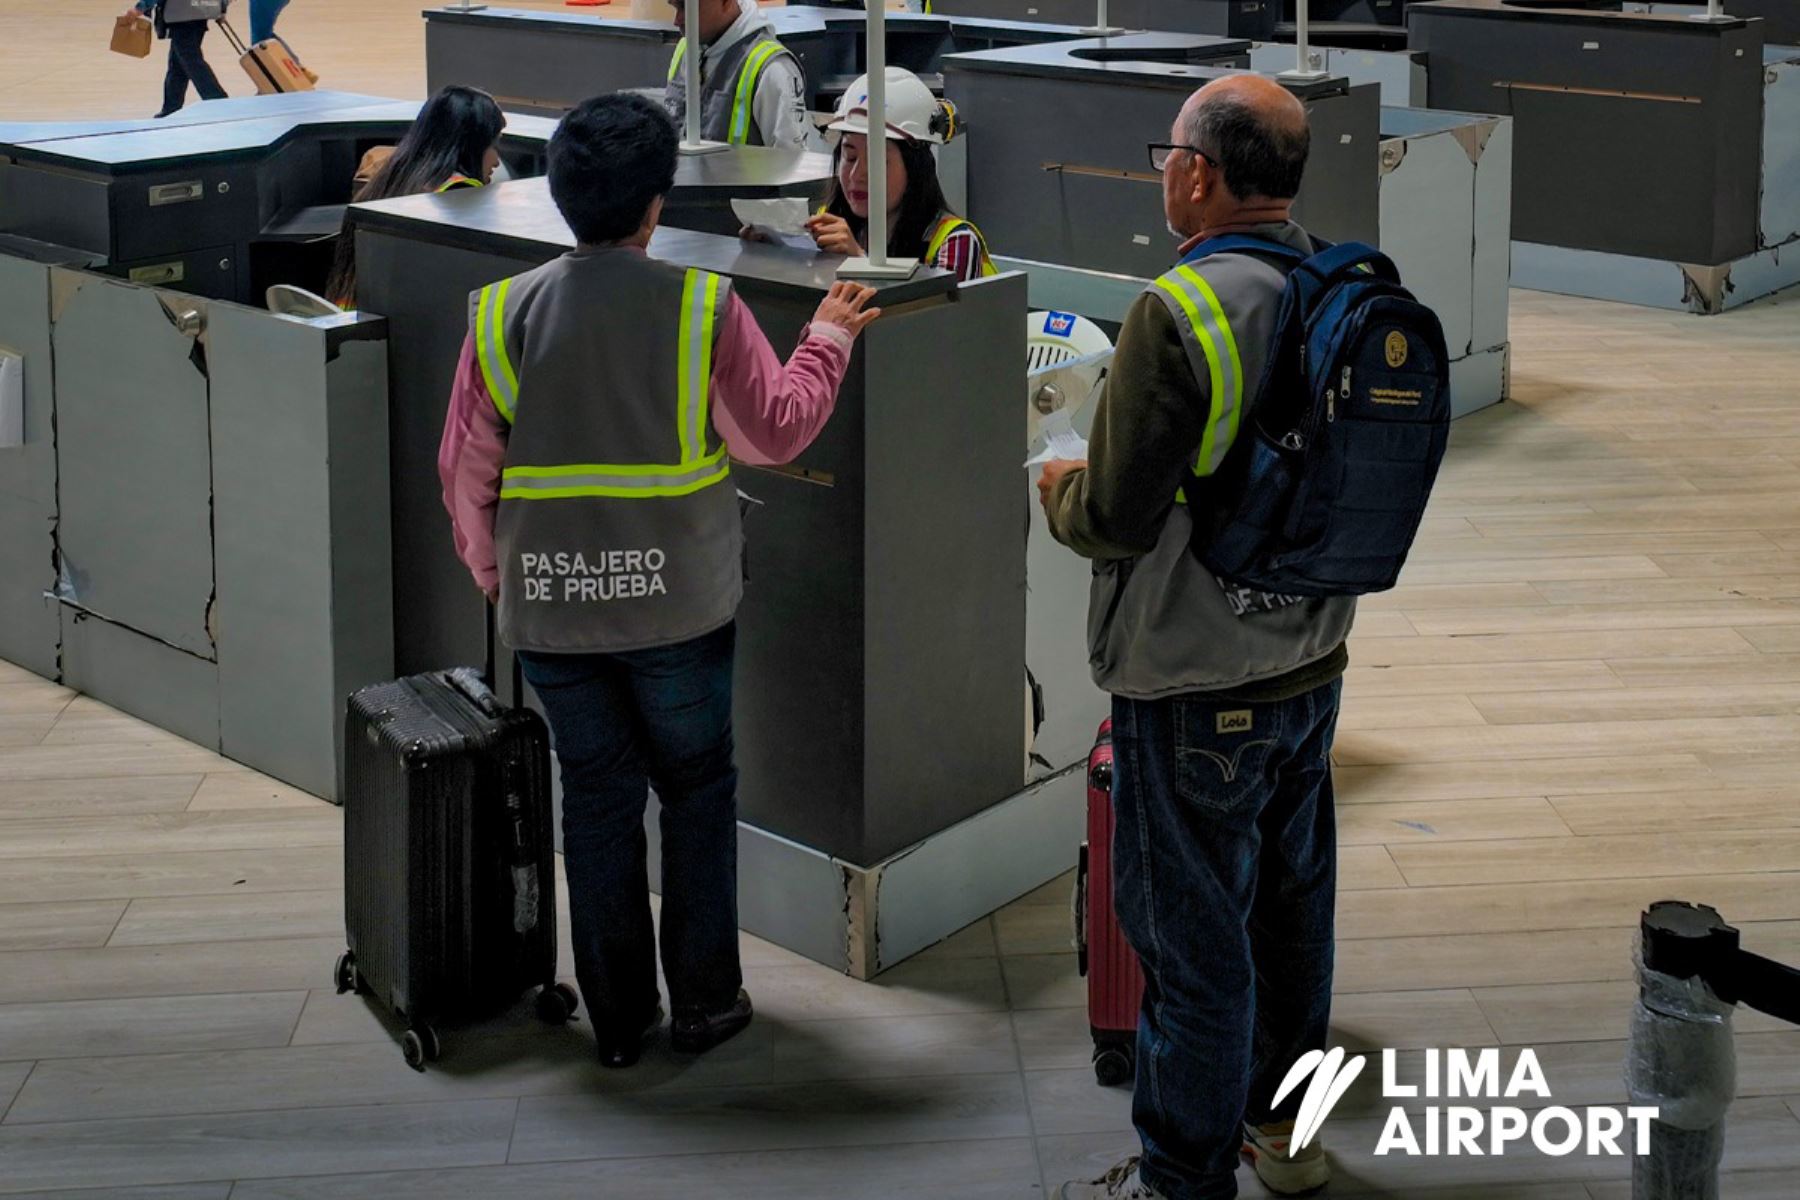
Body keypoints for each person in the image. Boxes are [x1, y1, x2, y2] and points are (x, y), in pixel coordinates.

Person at [438, 93, 880, 1069]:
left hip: (551, 616)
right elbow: (775, 433)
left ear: (558, 194)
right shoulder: (699, 306)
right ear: (655, 204)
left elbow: (463, 472)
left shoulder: (503, 313)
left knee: (594, 797)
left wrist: (497, 577)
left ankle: (620, 1020)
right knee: (694, 790)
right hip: (679, 611)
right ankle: (706, 1005)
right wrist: (830, 334)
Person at [1040, 74, 1356, 1200]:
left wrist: (1057, 485)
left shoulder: (1181, 314)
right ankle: (1290, 1136)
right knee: (1290, 915)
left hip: (1193, 678)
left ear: (1200, 173)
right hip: (1312, 662)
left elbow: (1117, 518)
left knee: (1192, 948)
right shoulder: (1336, 289)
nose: (1161, 167)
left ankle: (1182, 1177)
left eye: (1166, 150)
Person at [807, 68, 996, 282]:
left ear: (915, 168)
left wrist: (859, 261)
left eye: (877, 162)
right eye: (849, 157)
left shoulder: (955, 243)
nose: (857, 175)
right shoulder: (833, 225)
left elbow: (935, 315)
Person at [325, 85, 505, 308]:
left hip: (355, 316)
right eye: (493, 144)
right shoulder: (458, 194)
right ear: (471, 145)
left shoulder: (389, 176)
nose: (497, 160)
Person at [664, 0, 812, 151]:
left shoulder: (771, 68)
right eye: (674, 7)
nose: (677, 20)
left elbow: (791, 164)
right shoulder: (685, 49)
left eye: (685, 7)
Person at [131, 0, 228, 119]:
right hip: (199, 12)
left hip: (180, 15)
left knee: (191, 62)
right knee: (178, 64)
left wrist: (140, 7)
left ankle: (217, 100)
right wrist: (221, 8)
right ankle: (171, 108)